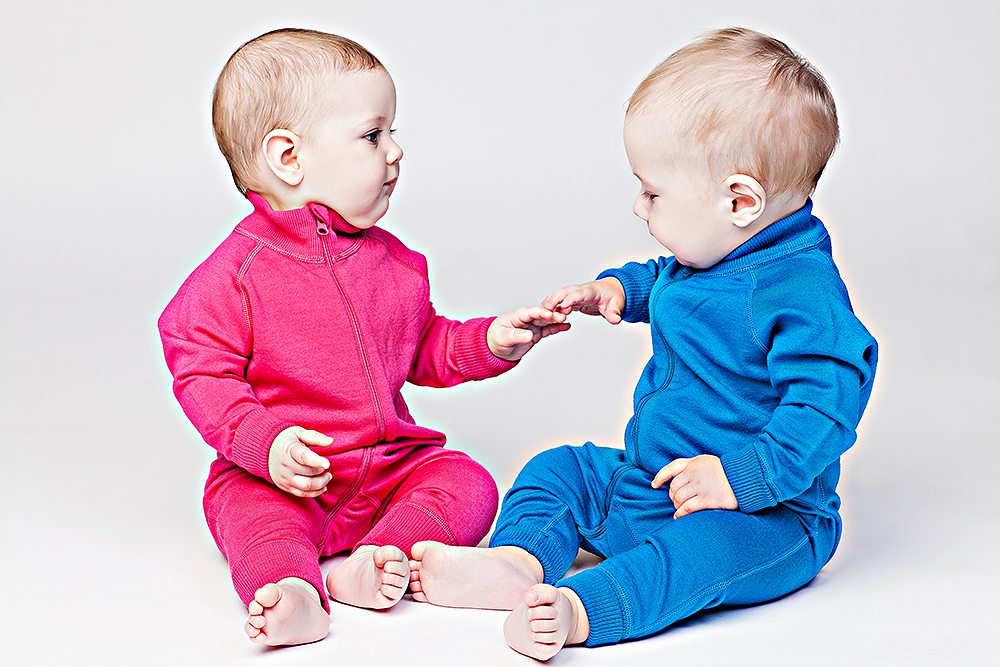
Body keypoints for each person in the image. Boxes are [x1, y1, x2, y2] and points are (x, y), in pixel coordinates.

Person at [408, 27, 879, 660]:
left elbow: (826, 409)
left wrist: (737, 480)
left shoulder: (801, 296)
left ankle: (583, 610)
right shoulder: (719, 249)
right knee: (561, 469)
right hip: (652, 480)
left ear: (740, 200)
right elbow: (671, 281)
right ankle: (519, 561)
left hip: (763, 516)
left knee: (697, 557)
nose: (638, 206)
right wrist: (614, 290)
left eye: (653, 192)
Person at [158, 28, 569, 647]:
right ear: (288, 158)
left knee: (467, 481)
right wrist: (265, 445)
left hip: (387, 469)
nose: (395, 152)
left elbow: (420, 347)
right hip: (287, 478)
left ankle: (381, 557)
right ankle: (294, 591)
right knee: (251, 515)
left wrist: (490, 342)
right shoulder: (235, 275)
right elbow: (202, 371)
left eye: (391, 132)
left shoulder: (392, 263)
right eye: (373, 135)